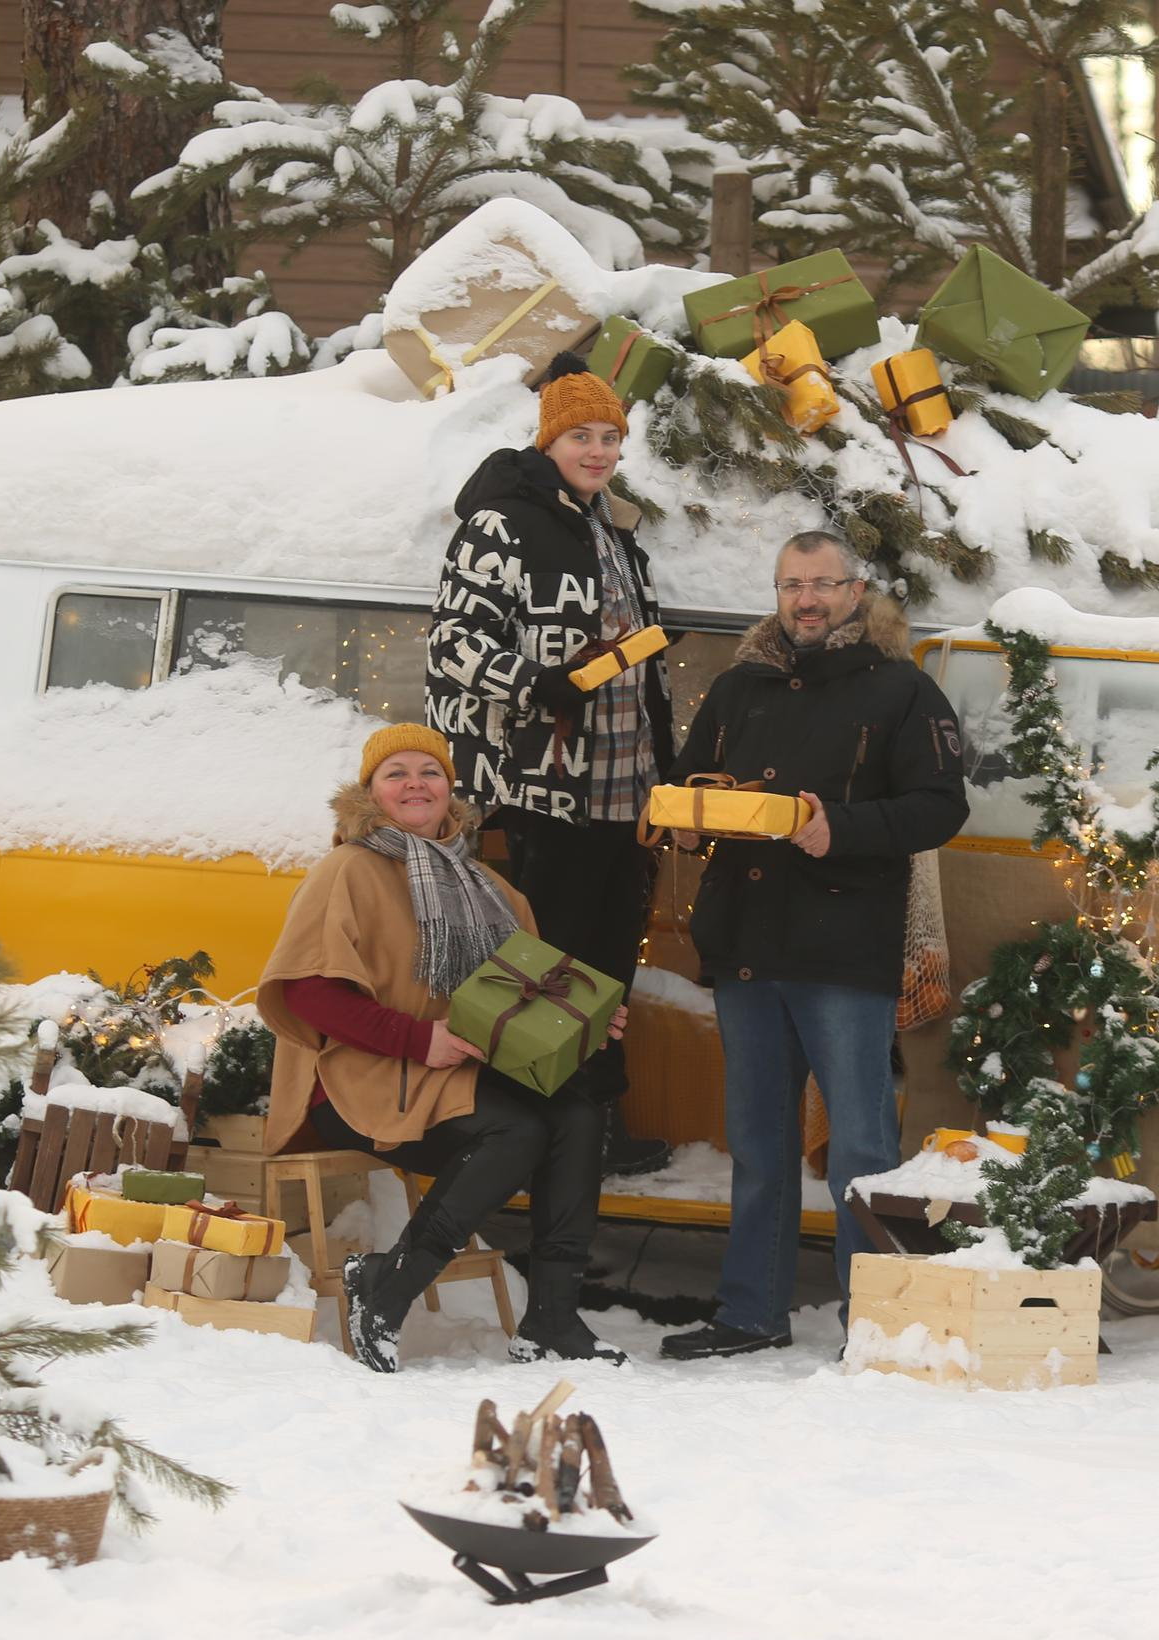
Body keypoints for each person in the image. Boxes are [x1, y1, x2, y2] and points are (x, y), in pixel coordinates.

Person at [657, 534, 970, 1360]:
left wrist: (844, 828)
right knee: (759, 1145)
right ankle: (751, 1312)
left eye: (823, 584)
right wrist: (686, 820)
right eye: (792, 584)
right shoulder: (736, 687)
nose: (806, 599)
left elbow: (941, 806)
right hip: (747, 949)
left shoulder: (903, 690)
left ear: (857, 590)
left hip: (843, 950)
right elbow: (697, 782)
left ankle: (873, 1324)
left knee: (862, 1148)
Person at [256, 725, 632, 1373]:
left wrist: (584, 1017)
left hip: (454, 1073)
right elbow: (311, 995)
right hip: (359, 1080)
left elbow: (521, 1000)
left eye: (427, 771)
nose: (414, 784)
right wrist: (417, 1038)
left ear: (448, 787)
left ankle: (552, 1316)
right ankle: (389, 1285)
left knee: (576, 1113)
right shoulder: (346, 870)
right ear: (370, 790)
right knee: (515, 1130)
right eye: (395, 772)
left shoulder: (490, 886)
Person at [424, 352, 674, 1179]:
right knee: (548, 973)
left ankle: (593, 1130)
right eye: (581, 436)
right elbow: (454, 645)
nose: (598, 451)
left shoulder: (610, 526)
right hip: (549, 788)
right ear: (549, 438)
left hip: (625, 792)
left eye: (610, 436)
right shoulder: (502, 522)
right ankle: (527, 1139)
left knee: (606, 974)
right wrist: (540, 683)